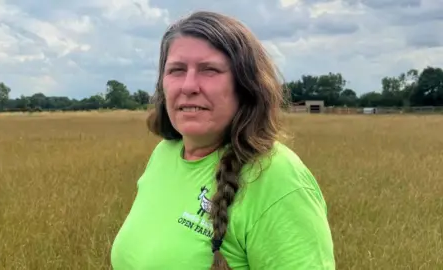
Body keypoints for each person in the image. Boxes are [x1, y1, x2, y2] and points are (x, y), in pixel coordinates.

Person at [110, 10, 335, 270]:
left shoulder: (278, 177)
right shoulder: (165, 153)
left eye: (209, 70)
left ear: (246, 85)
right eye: (176, 70)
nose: (189, 86)